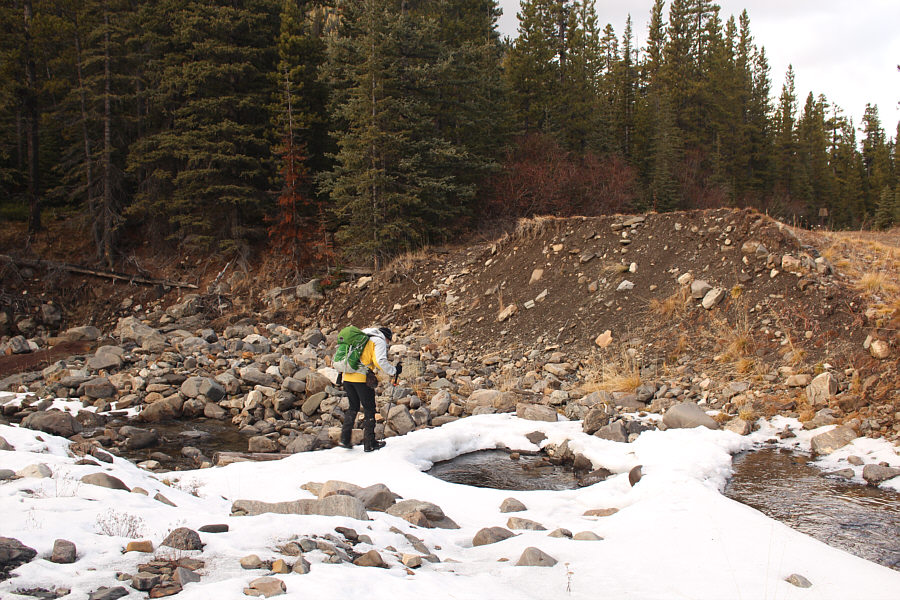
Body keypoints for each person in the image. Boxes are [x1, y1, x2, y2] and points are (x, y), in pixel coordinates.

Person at [340, 326, 402, 452]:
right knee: (369, 409)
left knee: (353, 407)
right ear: (386, 337)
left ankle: (345, 439)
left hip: (347, 376)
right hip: (362, 379)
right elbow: (379, 361)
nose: (387, 344)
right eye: (388, 342)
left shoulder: (360, 337)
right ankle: (370, 444)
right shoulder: (378, 340)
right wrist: (394, 370)